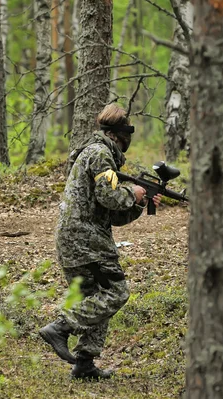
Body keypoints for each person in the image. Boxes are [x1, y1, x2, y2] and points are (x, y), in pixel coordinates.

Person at [39, 103, 162, 380]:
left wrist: (139, 203)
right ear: (120, 134)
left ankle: (84, 364)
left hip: (78, 241)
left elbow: (113, 214)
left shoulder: (98, 152)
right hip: (86, 244)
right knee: (116, 293)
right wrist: (134, 192)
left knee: (96, 299)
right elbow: (110, 197)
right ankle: (60, 328)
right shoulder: (100, 154)